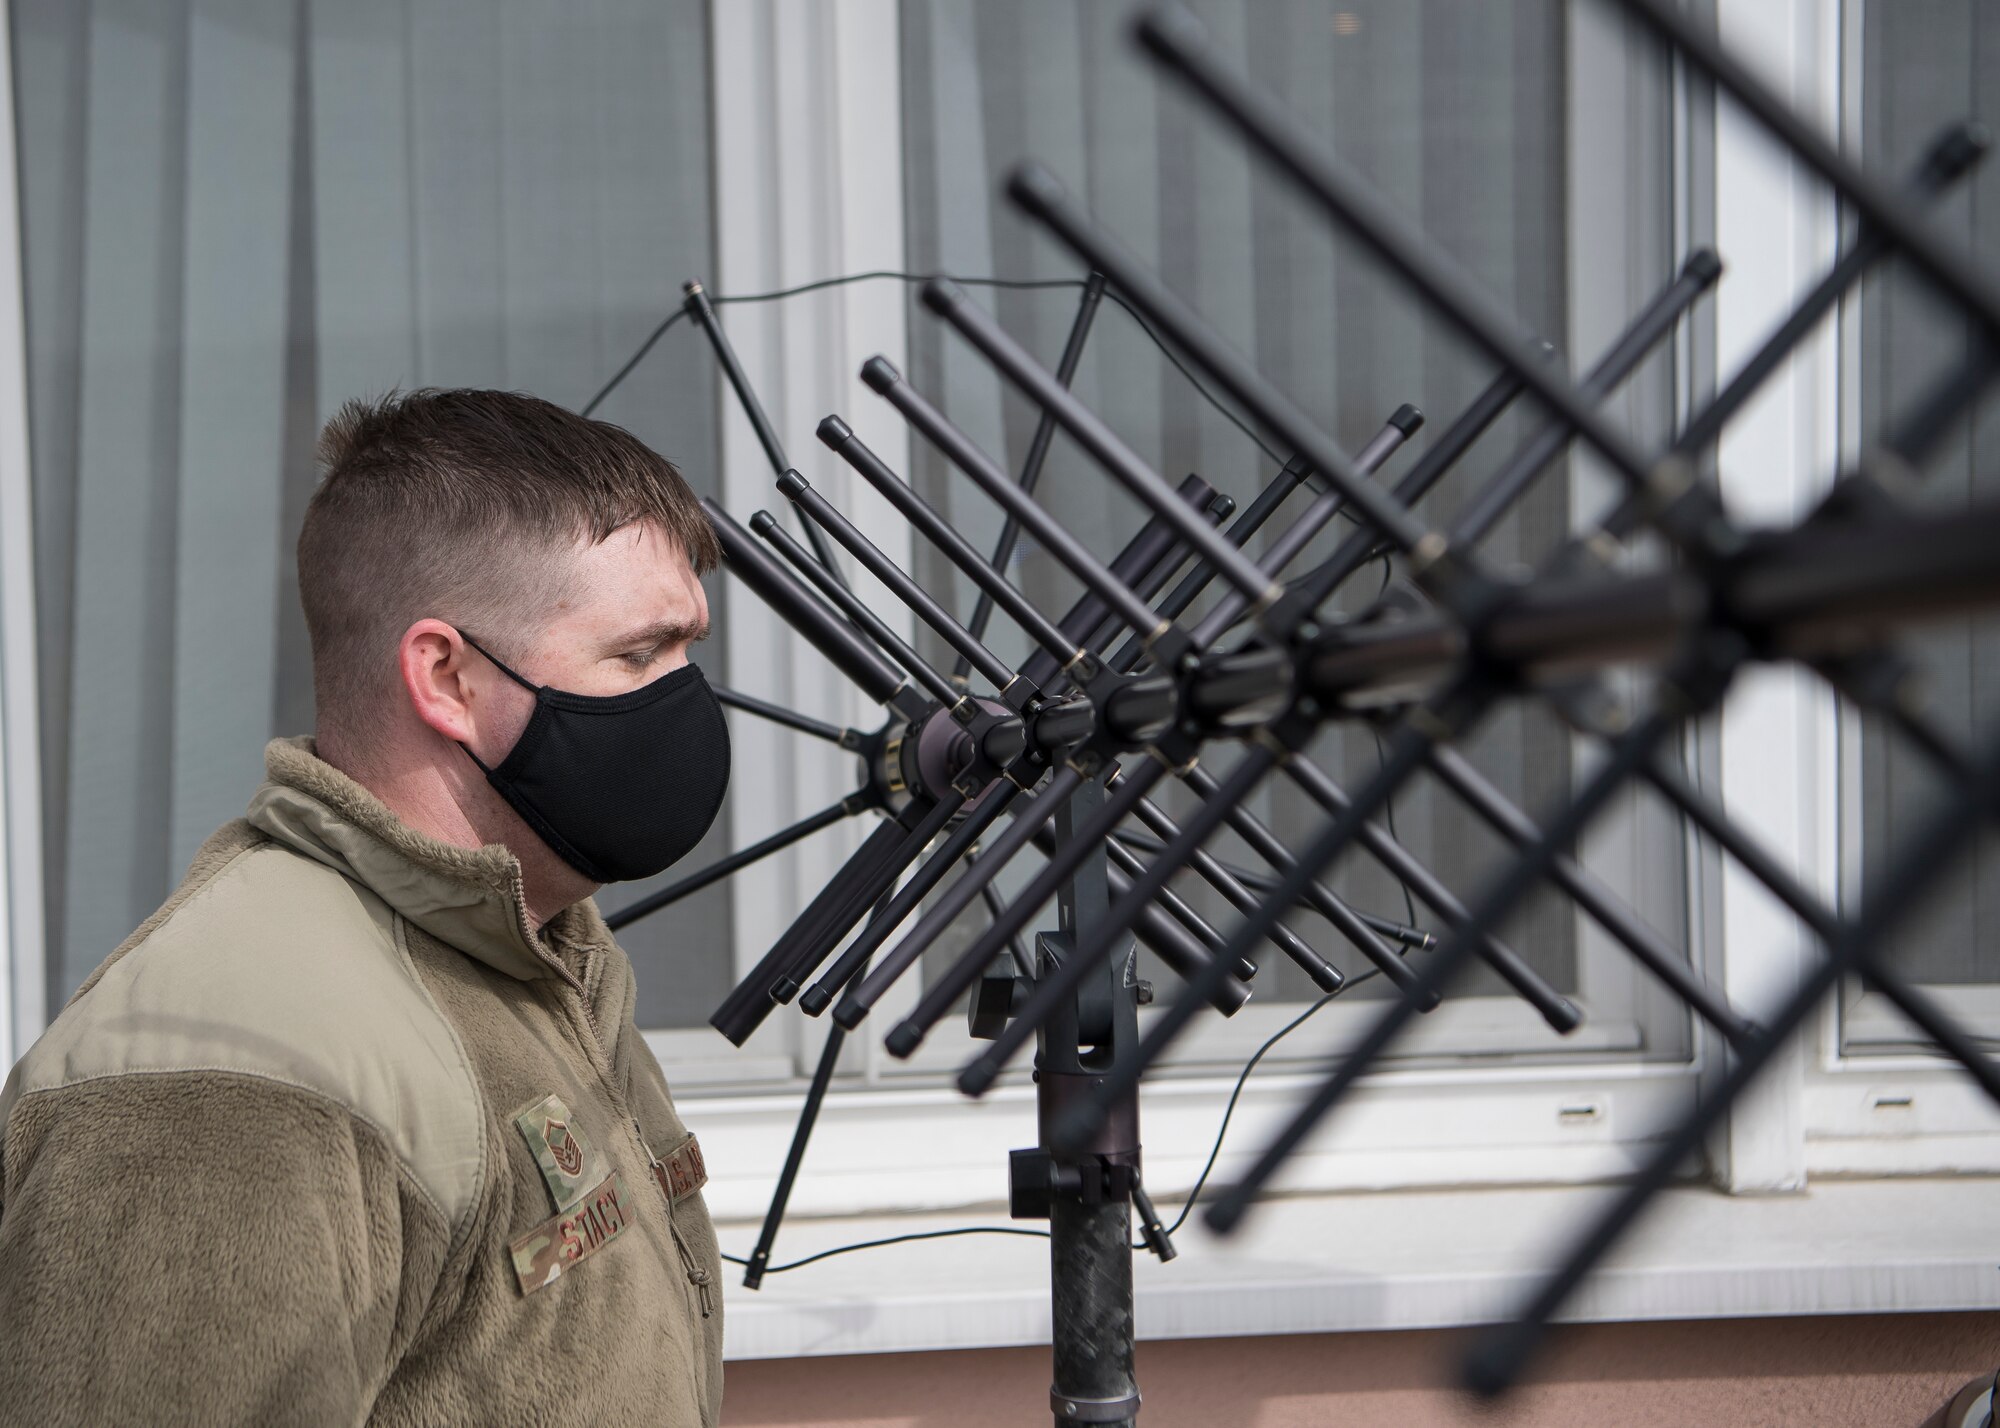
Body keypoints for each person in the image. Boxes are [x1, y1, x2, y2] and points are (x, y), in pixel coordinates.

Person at [0, 389, 730, 1426]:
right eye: (637, 654)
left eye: (687, 650)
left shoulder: (540, 957)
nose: (685, 699)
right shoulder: (240, 1073)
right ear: (446, 676)